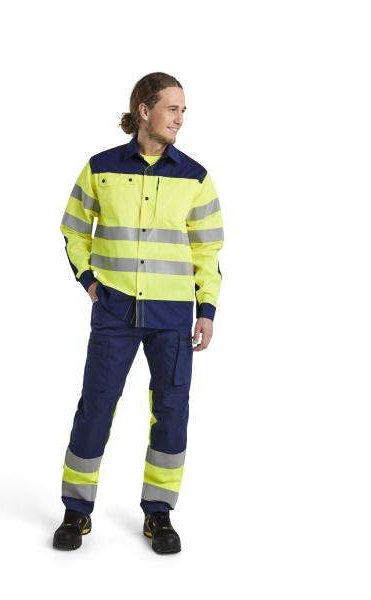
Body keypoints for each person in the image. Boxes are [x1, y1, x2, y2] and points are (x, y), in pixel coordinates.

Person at [53, 72, 224, 554]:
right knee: (96, 406)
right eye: (173, 108)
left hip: (172, 315)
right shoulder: (101, 168)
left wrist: (207, 309)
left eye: (184, 111)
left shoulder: (195, 177)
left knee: (171, 411)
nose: (180, 119)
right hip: (115, 310)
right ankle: (76, 510)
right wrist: (90, 281)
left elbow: (207, 249)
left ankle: (159, 513)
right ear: (144, 110)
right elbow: (73, 229)